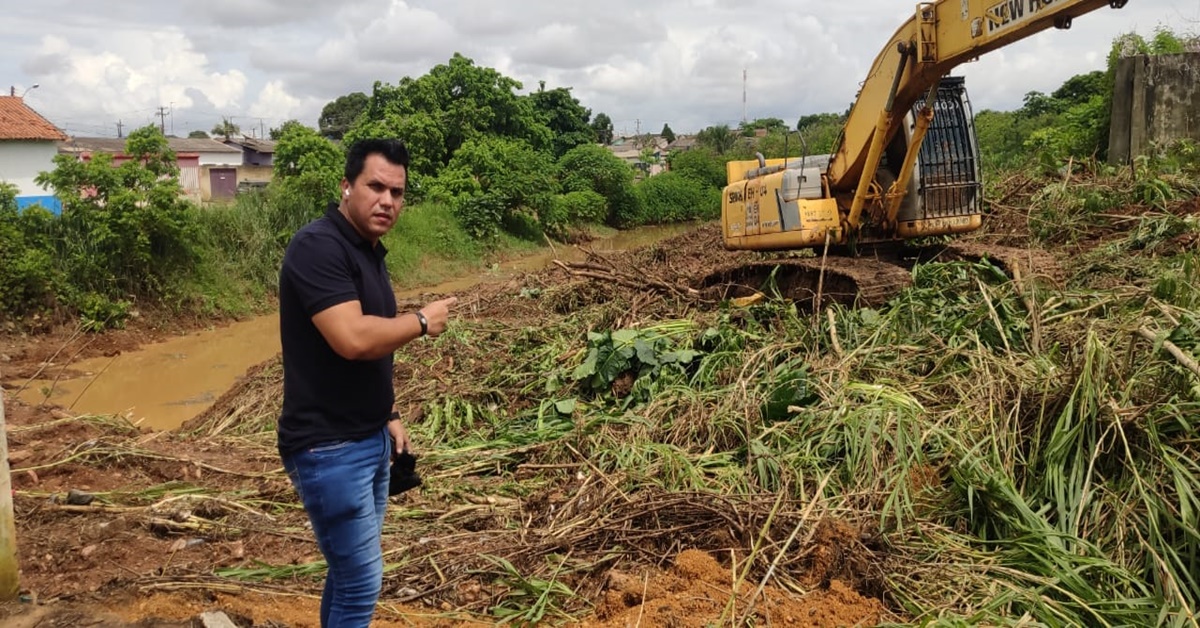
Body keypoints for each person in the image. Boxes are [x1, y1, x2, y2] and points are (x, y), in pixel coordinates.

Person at [276, 138, 456, 627]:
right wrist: (420, 321)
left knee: (348, 572)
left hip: (369, 438)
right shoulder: (318, 247)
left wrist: (390, 415)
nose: (387, 201)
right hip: (328, 447)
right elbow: (353, 338)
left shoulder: (368, 252)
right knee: (360, 583)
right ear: (347, 186)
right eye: (375, 187)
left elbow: (372, 347)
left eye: (396, 192)